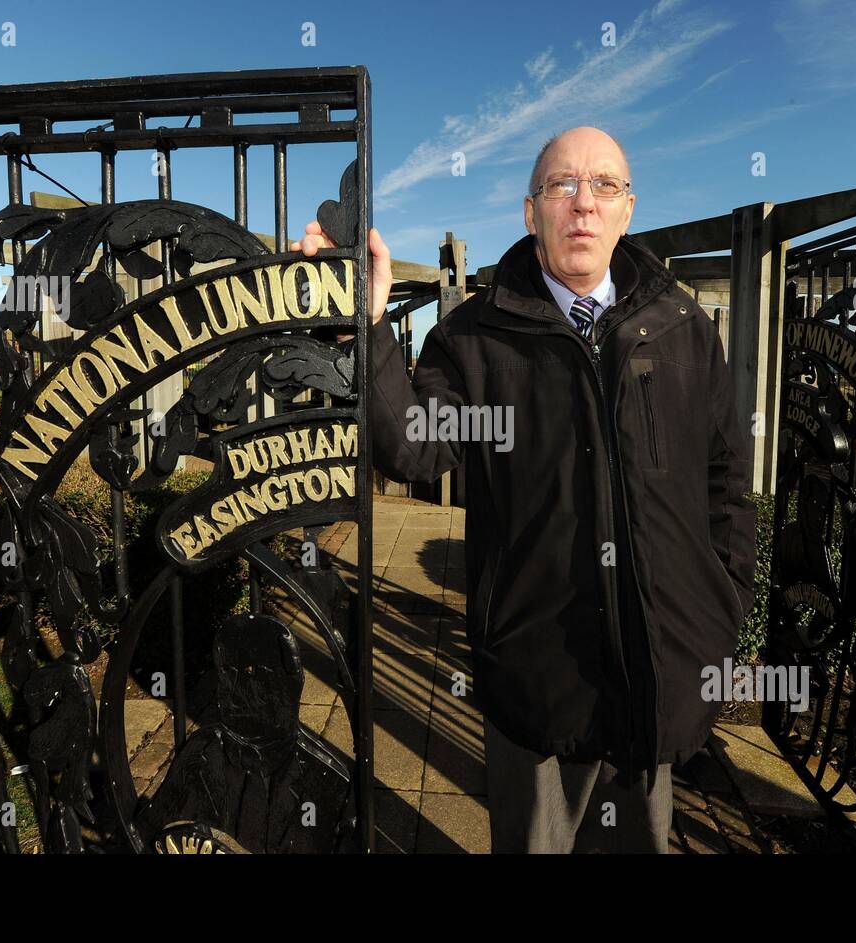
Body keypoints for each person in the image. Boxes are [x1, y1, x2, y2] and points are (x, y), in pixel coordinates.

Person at [291, 126, 756, 853]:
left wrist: (722, 606)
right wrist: (367, 327)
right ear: (530, 210)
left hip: (661, 671)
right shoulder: (477, 336)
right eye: (560, 186)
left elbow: (726, 480)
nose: (582, 203)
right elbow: (414, 443)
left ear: (627, 209)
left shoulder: (684, 327)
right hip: (539, 677)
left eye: (604, 185)